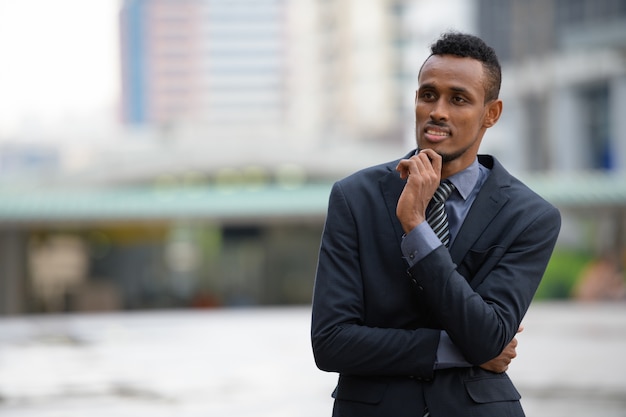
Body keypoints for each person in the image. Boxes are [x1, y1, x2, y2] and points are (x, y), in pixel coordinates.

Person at [311, 31, 561, 417]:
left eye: (458, 99)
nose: (438, 111)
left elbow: (489, 335)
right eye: (428, 95)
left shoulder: (529, 216)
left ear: (490, 114)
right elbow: (330, 343)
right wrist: (454, 350)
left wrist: (415, 226)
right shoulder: (353, 197)